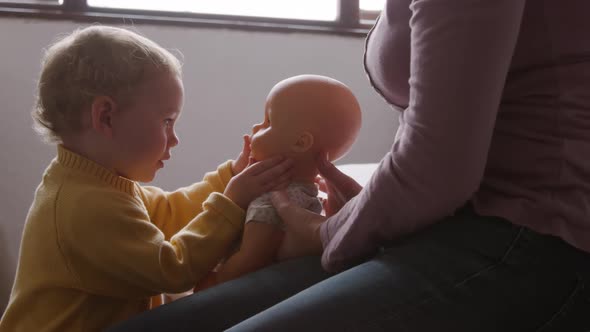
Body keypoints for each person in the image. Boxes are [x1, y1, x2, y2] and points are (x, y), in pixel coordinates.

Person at [107, 0, 590, 331]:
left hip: (535, 238)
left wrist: (328, 233)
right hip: (454, 220)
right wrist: (372, 209)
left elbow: (439, 169)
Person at [0, 25, 295, 332]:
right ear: (106, 117)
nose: (175, 139)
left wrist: (230, 176)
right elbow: (172, 269)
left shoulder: (97, 182)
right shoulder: (85, 206)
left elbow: (169, 212)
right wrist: (232, 203)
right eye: (167, 121)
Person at [193, 75, 361, 288]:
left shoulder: (272, 198)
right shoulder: (308, 194)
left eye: (268, 122)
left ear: (300, 142)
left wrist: (212, 282)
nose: (256, 126)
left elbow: (252, 258)